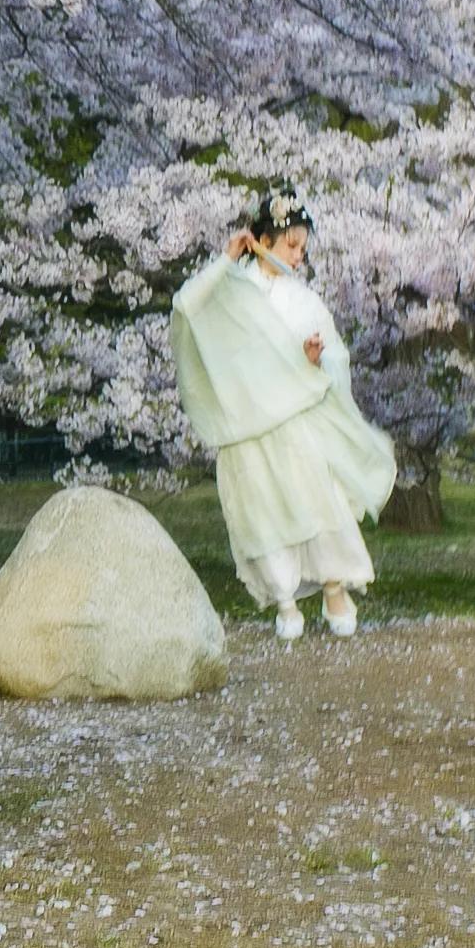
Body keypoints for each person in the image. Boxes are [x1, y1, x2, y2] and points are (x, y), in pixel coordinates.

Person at [170, 186, 395, 641]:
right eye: (290, 246)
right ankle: (285, 599)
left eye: (303, 249)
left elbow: (336, 357)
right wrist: (226, 260)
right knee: (262, 512)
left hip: (295, 423)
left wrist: (315, 360)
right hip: (247, 428)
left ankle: (335, 587)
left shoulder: (305, 301)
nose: (297, 257)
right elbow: (185, 307)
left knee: (318, 498)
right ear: (263, 241)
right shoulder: (228, 292)